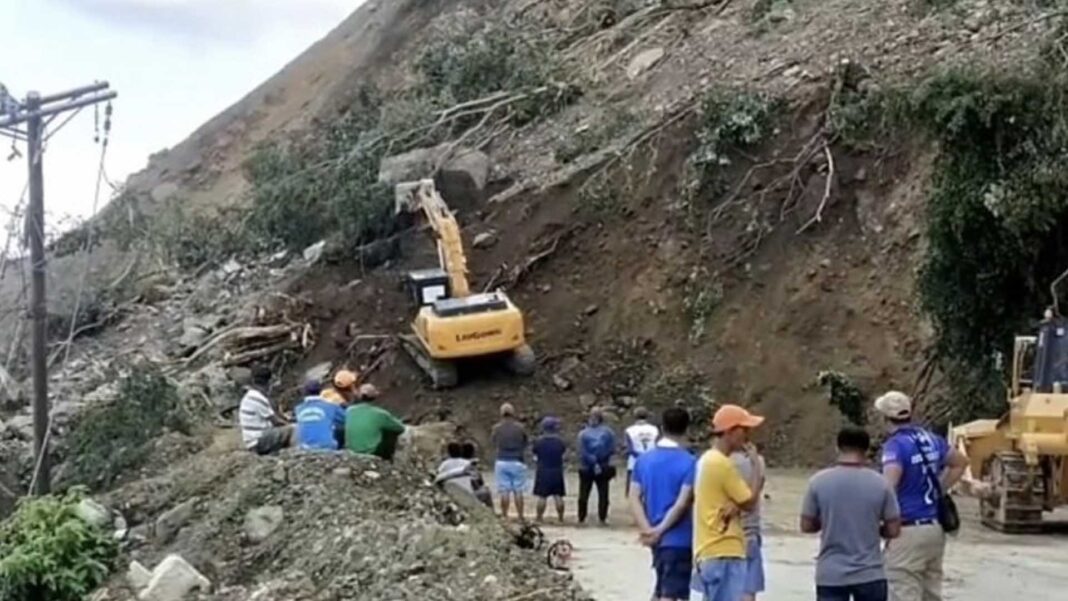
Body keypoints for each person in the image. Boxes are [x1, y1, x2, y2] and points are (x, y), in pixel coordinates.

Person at [874, 391, 967, 601]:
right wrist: (938, 490)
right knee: (931, 592)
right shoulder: (930, 439)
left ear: (885, 418)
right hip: (934, 528)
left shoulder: (895, 446)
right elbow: (960, 462)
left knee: (902, 589)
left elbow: (889, 486)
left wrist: (880, 520)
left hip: (907, 529)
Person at [801, 426, 902, 601]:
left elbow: (806, 526)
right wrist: (874, 528)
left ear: (837, 448)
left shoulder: (817, 482)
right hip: (870, 573)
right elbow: (894, 530)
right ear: (866, 450)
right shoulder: (881, 484)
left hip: (831, 574)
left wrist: (828, 522)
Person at [691, 404, 764, 601]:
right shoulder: (722, 464)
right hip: (724, 550)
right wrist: (756, 465)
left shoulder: (706, 460)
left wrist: (736, 505)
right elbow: (750, 502)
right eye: (744, 429)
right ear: (730, 431)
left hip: (708, 549)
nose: (747, 435)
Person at [629, 407, 696, 601]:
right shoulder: (691, 462)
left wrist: (647, 530)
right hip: (680, 538)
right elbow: (681, 503)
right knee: (673, 593)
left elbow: (633, 497)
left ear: (661, 428)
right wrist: (660, 530)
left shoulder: (644, 460)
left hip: (655, 539)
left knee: (661, 588)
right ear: (687, 429)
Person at [731, 444, 767, 601]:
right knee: (748, 591)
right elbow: (758, 488)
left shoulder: (718, 462)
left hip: (723, 536)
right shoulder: (758, 462)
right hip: (750, 533)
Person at [239, 365, 292, 455]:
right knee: (292, 429)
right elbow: (276, 421)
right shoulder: (258, 398)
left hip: (251, 440)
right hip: (258, 440)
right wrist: (291, 424)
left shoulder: (249, 396)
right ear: (269, 382)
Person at [577, 407, 617, 525]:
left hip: (586, 466)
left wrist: (592, 461)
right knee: (603, 493)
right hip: (603, 465)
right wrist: (599, 461)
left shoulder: (583, 433)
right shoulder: (609, 432)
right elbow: (612, 449)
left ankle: (581, 518)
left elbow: (581, 451)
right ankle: (602, 518)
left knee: (584, 493)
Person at [344, 383, 406, 459]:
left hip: (351, 451)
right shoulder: (380, 414)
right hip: (372, 452)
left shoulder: (349, 411)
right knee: (389, 432)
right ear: (375, 397)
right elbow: (400, 428)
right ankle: (388, 459)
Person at [491, 403, 529, 520]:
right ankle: (520, 515)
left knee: (504, 490)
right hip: (517, 460)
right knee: (518, 490)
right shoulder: (520, 428)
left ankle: (504, 515)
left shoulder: (496, 428)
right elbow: (525, 442)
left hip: (502, 460)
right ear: (513, 413)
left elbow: (493, 441)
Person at [532, 416, 567, 523]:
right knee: (558, 496)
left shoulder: (539, 442)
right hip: (557, 471)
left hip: (543, 471)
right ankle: (560, 518)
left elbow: (535, 455)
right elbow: (564, 455)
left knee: (542, 497)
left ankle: (539, 517)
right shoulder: (559, 442)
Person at [294, 379, 346, 451]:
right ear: (321, 391)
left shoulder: (298, 409)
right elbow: (347, 419)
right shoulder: (331, 407)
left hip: (304, 448)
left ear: (304, 392)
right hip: (327, 447)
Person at [625, 406, 661, 497]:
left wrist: (639, 456)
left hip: (634, 462)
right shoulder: (654, 429)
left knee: (634, 490)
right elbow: (658, 445)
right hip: (652, 460)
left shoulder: (629, 430)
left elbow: (630, 448)